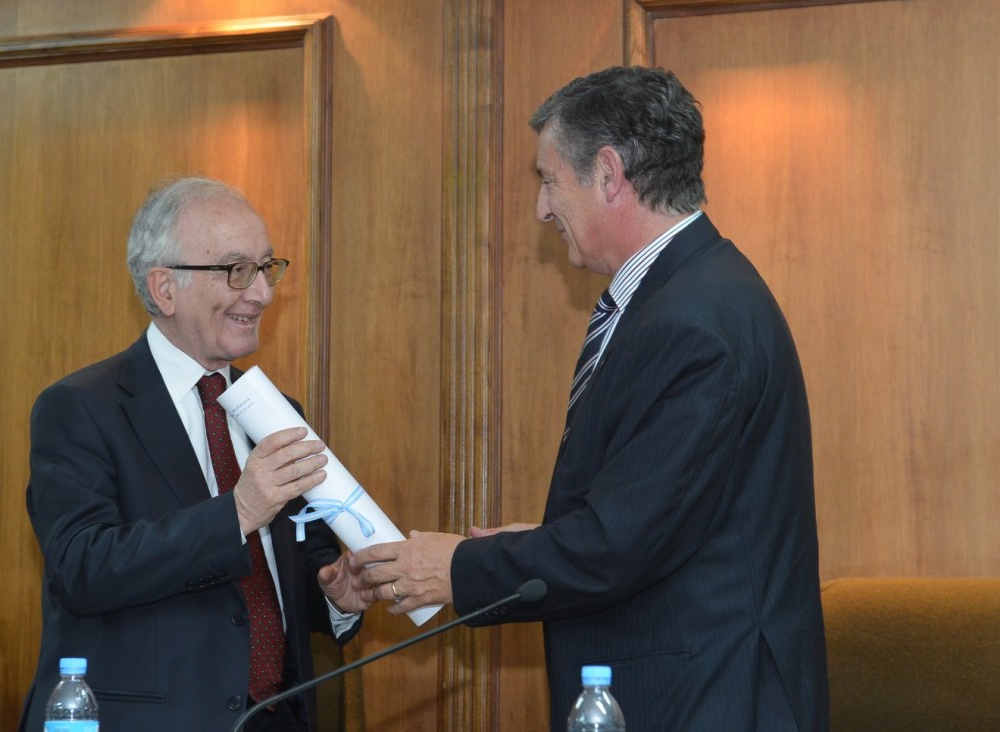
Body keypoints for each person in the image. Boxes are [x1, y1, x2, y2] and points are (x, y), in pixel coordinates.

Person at [352, 66, 829, 730]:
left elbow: (618, 546)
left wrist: (459, 569)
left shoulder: (689, 321)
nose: (541, 209)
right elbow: (660, 515)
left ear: (609, 175)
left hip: (705, 699)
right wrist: (549, 540)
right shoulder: (692, 292)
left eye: (549, 181)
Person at [20, 176, 369, 731]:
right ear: (164, 288)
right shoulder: (80, 408)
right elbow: (82, 568)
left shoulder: (278, 411)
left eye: (266, 267)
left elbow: (297, 560)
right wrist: (239, 512)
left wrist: (335, 594)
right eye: (236, 271)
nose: (261, 293)